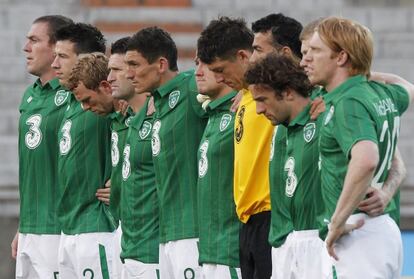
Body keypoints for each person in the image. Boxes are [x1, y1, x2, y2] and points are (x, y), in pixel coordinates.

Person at [304, 16, 414, 278]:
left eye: (316, 50)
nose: (306, 59)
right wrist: (366, 74)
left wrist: (337, 222)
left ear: (341, 57)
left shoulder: (348, 101)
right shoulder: (379, 92)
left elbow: (365, 159)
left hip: (356, 231)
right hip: (382, 229)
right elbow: (408, 88)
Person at [125, 27, 207, 278]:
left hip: (192, 233)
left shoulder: (193, 86)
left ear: (160, 64)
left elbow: (239, 89)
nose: (129, 74)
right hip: (166, 235)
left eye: (134, 65)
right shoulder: (157, 102)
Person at [197, 17, 273, 278]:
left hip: (270, 217)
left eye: (220, 69)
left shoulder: (278, 92)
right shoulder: (244, 97)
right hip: (246, 224)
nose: (218, 78)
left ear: (243, 56)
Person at [246, 53, 325, 279]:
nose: (259, 109)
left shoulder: (324, 115)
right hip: (281, 244)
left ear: (288, 92)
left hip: (315, 241)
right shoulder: (279, 126)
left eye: (262, 99)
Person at [52, 23, 117, 278]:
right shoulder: (72, 102)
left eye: (63, 57)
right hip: (69, 226)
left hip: (97, 225)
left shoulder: (107, 101)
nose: (55, 63)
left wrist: (122, 180)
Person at [12, 15, 73, 279]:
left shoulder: (76, 94)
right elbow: (33, 165)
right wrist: (22, 226)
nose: (26, 47)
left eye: (34, 40)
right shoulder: (30, 94)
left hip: (58, 229)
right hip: (29, 228)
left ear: (56, 48)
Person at [108, 36, 160, 278]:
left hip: (154, 248)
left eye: (116, 70)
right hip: (127, 242)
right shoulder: (127, 122)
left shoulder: (162, 117)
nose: (110, 78)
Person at [194, 57, 241, 278]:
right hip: (208, 251)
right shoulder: (211, 114)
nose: (198, 72)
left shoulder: (247, 109)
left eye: (206, 64)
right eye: (196, 64)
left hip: (231, 249)